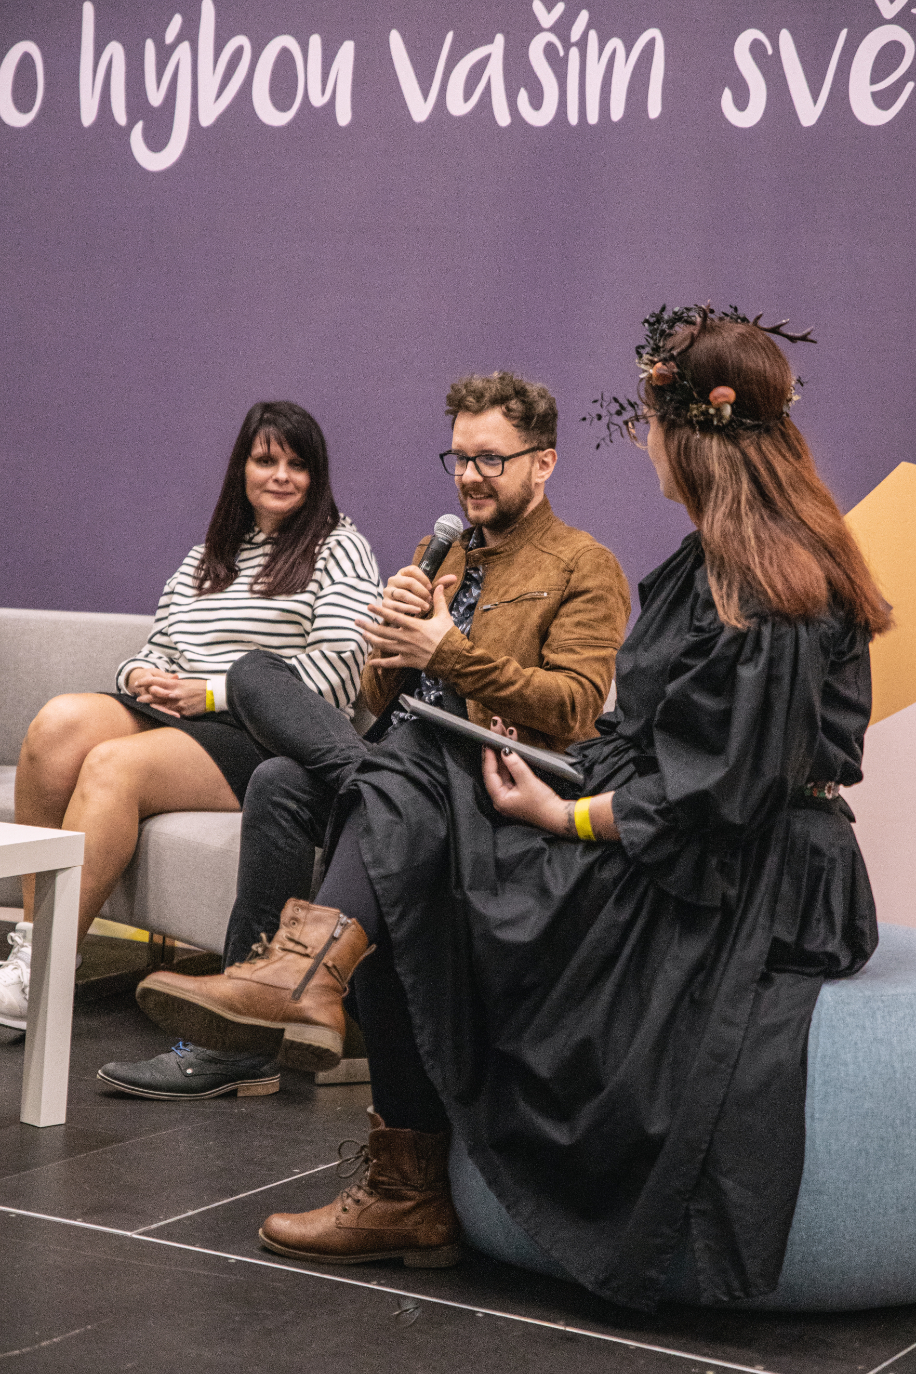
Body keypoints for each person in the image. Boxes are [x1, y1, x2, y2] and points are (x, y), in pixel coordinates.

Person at [219, 309, 886, 1308]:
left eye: (649, 427)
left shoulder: (767, 584)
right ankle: (352, 1064)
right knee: (407, 791)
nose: (645, 446)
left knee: (409, 809)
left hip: (746, 879)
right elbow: (659, 746)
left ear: (691, 435)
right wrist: (538, 773)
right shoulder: (721, 561)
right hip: (683, 830)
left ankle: (326, 1009)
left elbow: (717, 796)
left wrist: (564, 815)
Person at [101, 371, 631, 1097]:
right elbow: (386, 698)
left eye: (490, 459)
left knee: (336, 735)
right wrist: (392, 645)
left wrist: (447, 652)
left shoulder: (585, 565)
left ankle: (290, 984)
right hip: (404, 763)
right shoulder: (441, 550)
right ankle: (245, 1034)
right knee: (272, 750)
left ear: (544, 462)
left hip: (486, 782)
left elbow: (574, 707)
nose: (469, 477)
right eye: (459, 458)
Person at [3, 401, 382, 1060]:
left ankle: (45, 974)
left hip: (263, 729)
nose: (281, 475)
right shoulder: (208, 556)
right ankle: (36, 952)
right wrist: (140, 675)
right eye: (266, 460)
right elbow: (158, 647)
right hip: (178, 709)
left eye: (298, 464)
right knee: (56, 727)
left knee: (113, 767)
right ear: (242, 468)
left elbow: (338, 672)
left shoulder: (340, 547)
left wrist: (209, 691)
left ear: (317, 476)